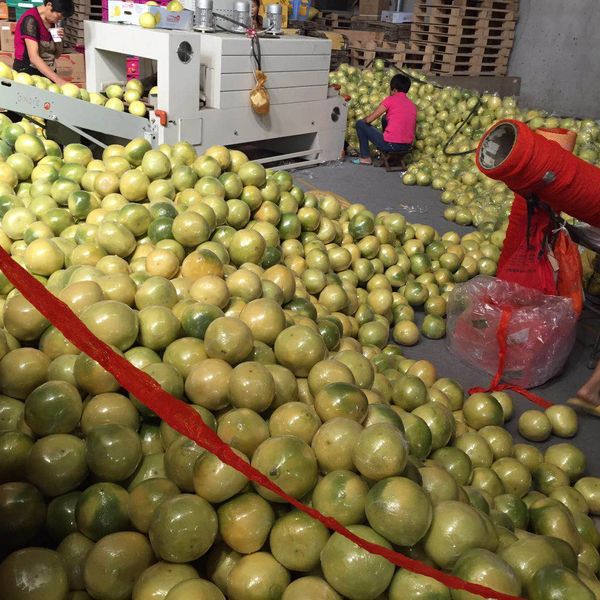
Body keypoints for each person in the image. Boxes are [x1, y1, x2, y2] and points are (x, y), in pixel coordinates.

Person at [352, 72, 416, 165]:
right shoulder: (412, 105)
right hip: (407, 146)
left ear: (394, 89)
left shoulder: (390, 100)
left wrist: (364, 121)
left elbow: (369, 119)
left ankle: (365, 157)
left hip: (391, 145)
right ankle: (388, 152)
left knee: (360, 124)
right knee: (385, 118)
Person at [13, 0, 74, 86]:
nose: (58, 21)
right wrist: (58, 80)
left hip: (47, 71)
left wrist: (60, 39)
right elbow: (34, 57)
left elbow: (57, 55)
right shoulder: (30, 20)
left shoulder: (52, 22)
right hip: (28, 71)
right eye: (58, 16)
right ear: (49, 5)